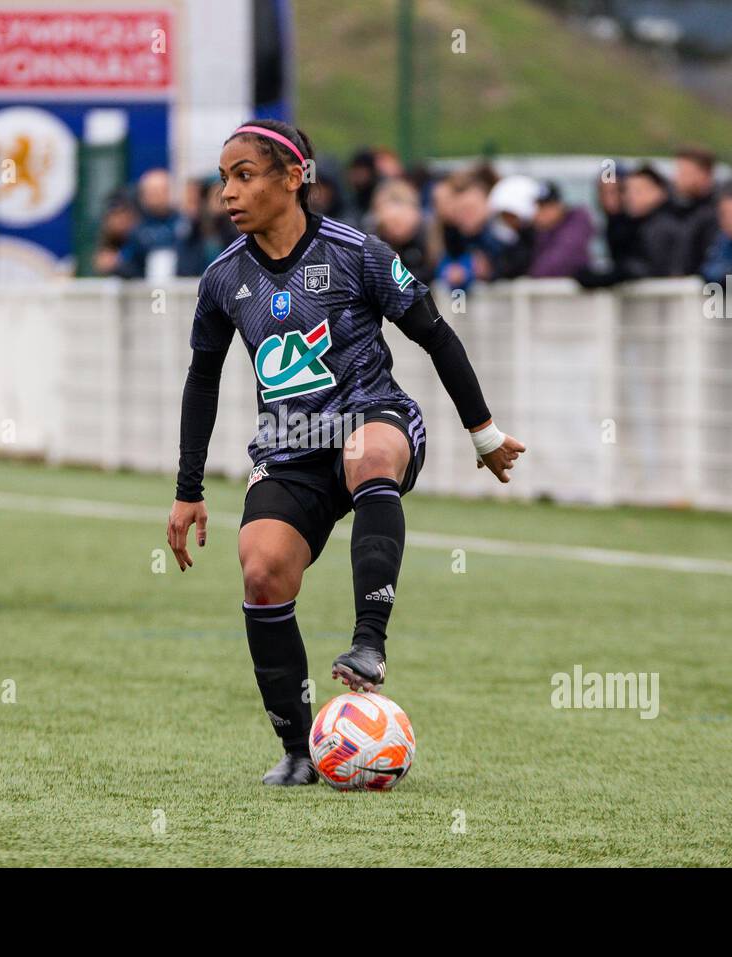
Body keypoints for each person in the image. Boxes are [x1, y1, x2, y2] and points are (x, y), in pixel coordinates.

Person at [167, 119, 524, 786]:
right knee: (261, 571)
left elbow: (437, 336)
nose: (227, 194)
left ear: (293, 179)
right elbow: (202, 380)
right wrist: (189, 488)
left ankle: (370, 639)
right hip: (290, 448)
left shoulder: (357, 253)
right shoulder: (222, 280)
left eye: (243, 176)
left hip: (372, 418)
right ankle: (300, 747)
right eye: (222, 179)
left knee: (368, 452)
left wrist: (484, 434)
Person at [527, 181, 594, 278]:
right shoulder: (537, 229)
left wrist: (530, 273)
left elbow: (556, 262)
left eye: (548, 206)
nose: (542, 212)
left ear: (560, 205)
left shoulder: (576, 222)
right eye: (539, 206)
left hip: (577, 288)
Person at [672, 146, 720, 275]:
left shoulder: (718, 213)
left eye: (684, 173)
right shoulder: (677, 211)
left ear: (704, 174)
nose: (676, 179)